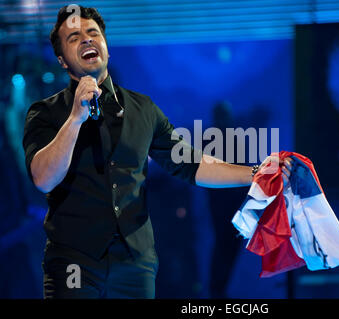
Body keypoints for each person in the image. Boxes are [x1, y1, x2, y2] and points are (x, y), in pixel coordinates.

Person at [22, 5, 293, 299]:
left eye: (93, 33)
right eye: (74, 37)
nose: (87, 40)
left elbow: (190, 163)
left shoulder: (143, 110)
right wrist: (75, 119)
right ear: (62, 60)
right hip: (74, 262)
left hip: (134, 264)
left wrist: (256, 174)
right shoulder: (45, 113)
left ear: (107, 48)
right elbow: (44, 178)